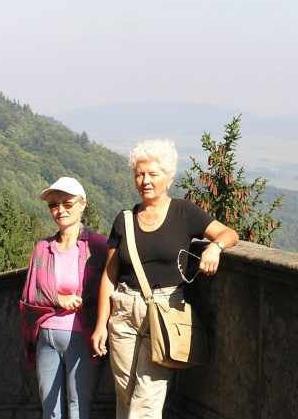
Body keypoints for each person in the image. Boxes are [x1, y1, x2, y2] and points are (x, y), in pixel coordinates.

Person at [91, 139, 239, 419]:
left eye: (153, 174)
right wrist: (100, 325)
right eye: (140, 174)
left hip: (166, 311)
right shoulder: (124, 220)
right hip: (123, 311)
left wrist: (214, 248)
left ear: (168, 177)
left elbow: (229, 233)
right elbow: (109, 276)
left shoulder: (184, 212)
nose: (145, 180)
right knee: (124, 392)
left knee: (147, 398)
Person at [20, 177, 109, 419]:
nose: (60, 210)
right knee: (51, 411)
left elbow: (109, 289)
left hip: (82, 336)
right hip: (46, 338)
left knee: (79, 408)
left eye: (67, 204)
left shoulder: (99, 247)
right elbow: (30, 295)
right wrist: (58, 299)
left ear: (83, 205)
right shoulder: (42, 249)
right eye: (54, 205)